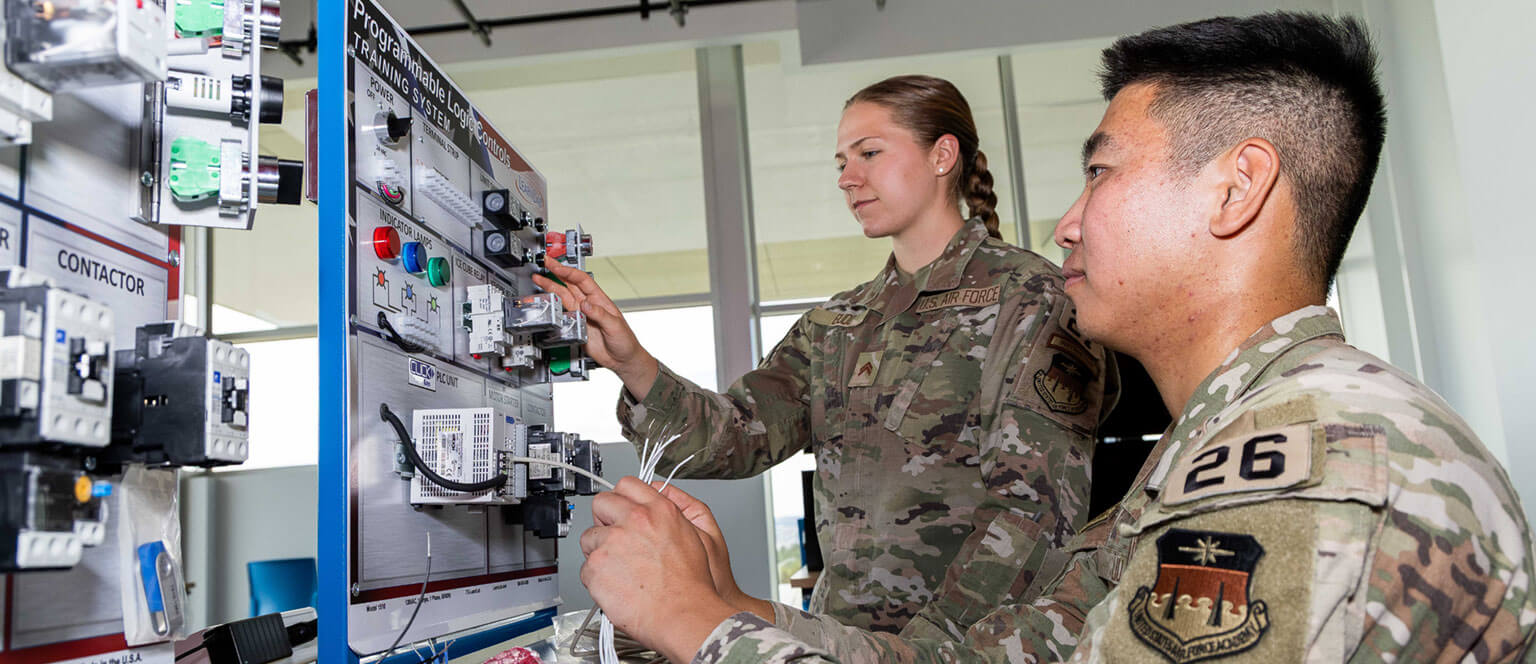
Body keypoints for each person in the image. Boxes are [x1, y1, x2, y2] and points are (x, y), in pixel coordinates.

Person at [575, 12, 1536, 664]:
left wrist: (707, 625)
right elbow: (1043, 639)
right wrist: (739, 609)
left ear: (1237, 189)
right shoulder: (1199, 465)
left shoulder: (1305, 467)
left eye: (1103, 175)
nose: (1069, 223)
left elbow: (1025, 519)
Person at [536, 74, 1114, 635]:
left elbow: (1032, 516)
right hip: (846, 643)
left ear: (942, 156)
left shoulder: (1030, 296)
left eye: (868, 153)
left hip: (972, 647)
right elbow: (736, 438)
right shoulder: (838, 325)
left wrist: (927, 650)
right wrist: (628, 359)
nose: (848, 177)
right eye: (842, 162)